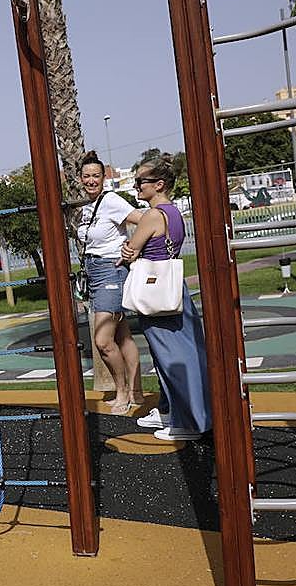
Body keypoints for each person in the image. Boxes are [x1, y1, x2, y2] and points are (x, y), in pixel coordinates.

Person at [120, 157, 211, 441]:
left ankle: (191, 422)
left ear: (159, 185)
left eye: (140, 182)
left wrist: (129, 251)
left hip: (154, 293)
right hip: (174, 289)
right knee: (183, 352)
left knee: (173, 357)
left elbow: (131, 250)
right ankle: (173, 410)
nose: (136, 186)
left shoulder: (151, 216)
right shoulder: (175, 214)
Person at [76, 152, 144, 414]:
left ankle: (122, 392)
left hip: (110, 271)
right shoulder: (86, 206)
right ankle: (136, 390)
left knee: (103, 340)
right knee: (123, 335)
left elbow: (144, 219)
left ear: (104, 177)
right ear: (80, 179)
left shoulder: (111, 200)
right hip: (94, 272)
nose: (91, 180)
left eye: (96, 175)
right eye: (87, 176)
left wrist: (133, 247)